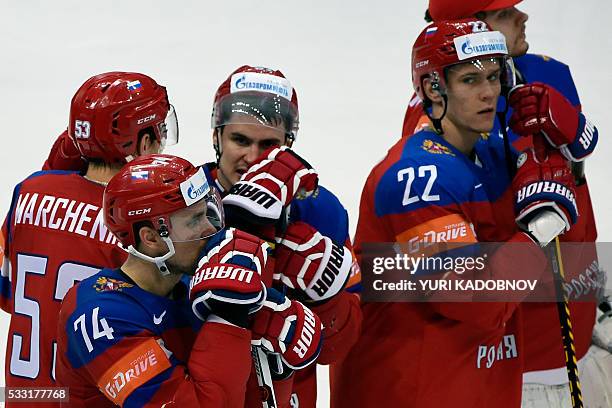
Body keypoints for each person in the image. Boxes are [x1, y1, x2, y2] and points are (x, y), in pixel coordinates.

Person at [330, 18, 582, 407]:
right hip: (408, 391)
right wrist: (540, 227)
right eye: (470, 80)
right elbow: (477, 298)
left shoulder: (493, 159)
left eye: (495, 77)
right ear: (434, 88)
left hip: (473, 385)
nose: (489, 93)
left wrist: (570, 151)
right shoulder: (414, 178)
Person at [401, 1, 607, 406]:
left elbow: (573, 183)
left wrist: (576, 139)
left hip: (581, 317)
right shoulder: (440, 121)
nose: (522, 17)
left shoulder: (549, 72)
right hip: (526, 364)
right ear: (471, 28)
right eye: (505, 13)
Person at [56, 153, 323, 407]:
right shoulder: (101, 317)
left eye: (207, 211)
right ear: (151, 238)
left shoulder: (194, 284)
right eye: (194, 220)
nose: (210, 228)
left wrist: (276, 371)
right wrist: (229, 317)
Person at [0, 71, 176, 404]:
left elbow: (8, 293)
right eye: (158, 132)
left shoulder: (28, 190)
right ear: (141, 143)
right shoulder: (138, 223)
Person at [209, 65, 363, 407]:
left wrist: (328, 298)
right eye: (240, 140)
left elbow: (339, 346)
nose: (251, 158)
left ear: (287, 147)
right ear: (216, 137)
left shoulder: (321, 210)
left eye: (268, 144)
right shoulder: (182, 203)